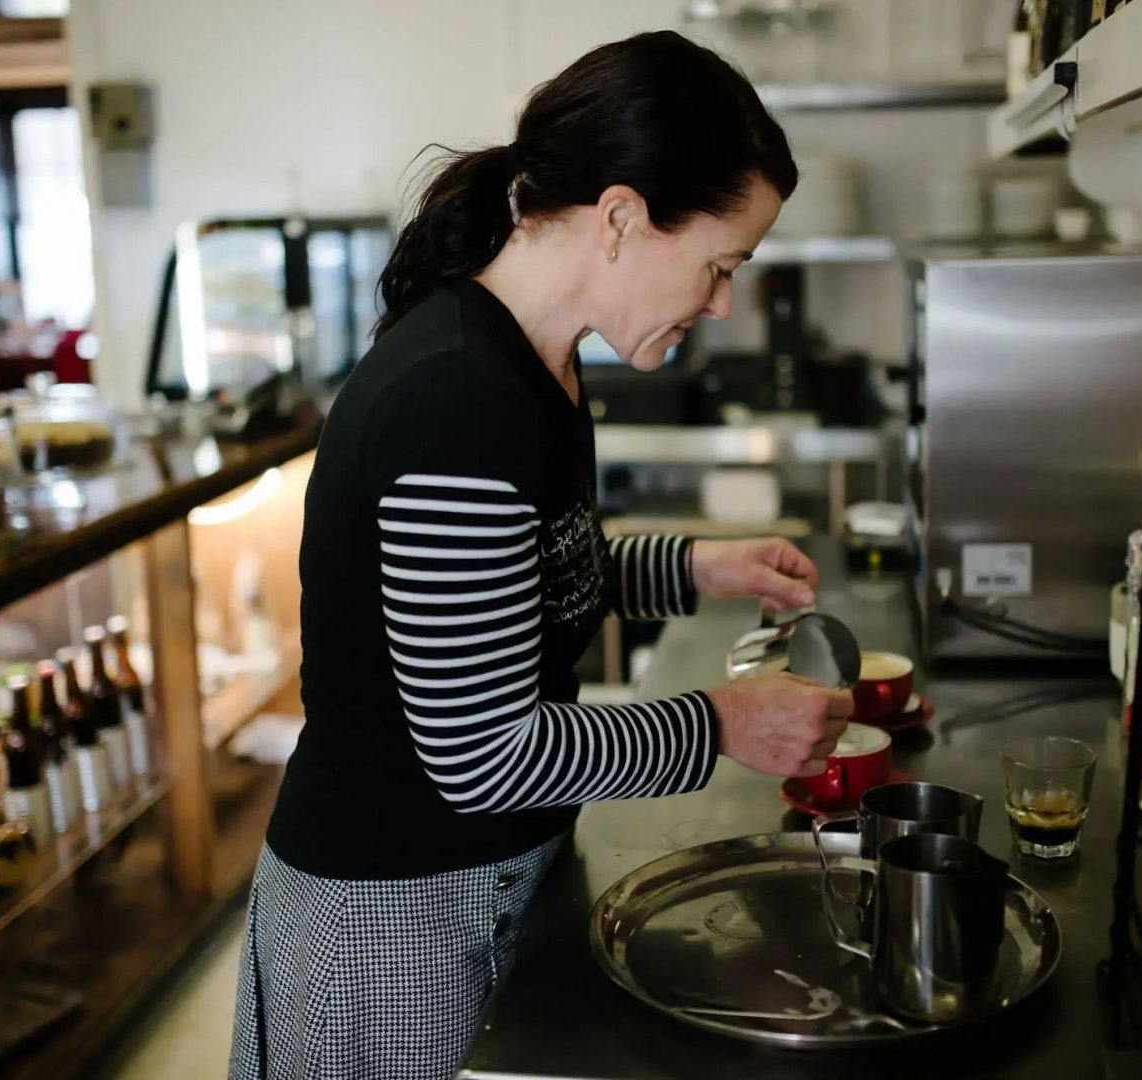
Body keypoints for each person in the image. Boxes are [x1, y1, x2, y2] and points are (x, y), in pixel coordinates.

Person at [231, 30, 854, 1080]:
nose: (721, 304)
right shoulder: (456, 401)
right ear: (620, 218)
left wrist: (699, 565)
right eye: (719, 265)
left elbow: (526, 575)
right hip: (392, 921)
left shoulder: (540, 362)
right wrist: (719, 726)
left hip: (479, 883)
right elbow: (485, 757)